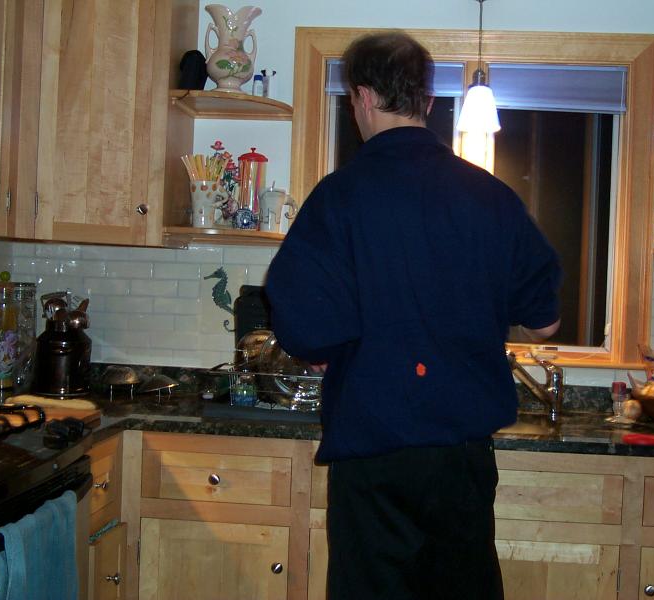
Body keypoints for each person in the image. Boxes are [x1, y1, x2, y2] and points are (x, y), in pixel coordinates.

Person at [265, 30, 562, 600]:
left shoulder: (339, 197)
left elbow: (303, 328)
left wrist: (335, 346)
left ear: (363, 97)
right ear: (426, 101)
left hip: (373, 460)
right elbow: (544, 322)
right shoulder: (492, 197)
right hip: (460, 462)